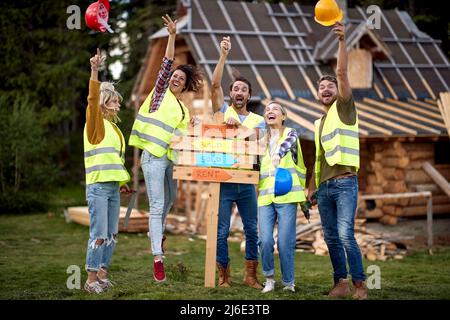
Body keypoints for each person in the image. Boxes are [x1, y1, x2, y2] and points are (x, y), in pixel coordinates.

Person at [129, 15, 202, 282]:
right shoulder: (159, 93)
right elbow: (167, 62)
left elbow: (180, 137)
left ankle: (157, 233)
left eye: (181, 79)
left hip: (170, 160)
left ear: (185, 85)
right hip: (153, 158)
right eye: (174, 76)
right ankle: (158, 258)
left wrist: (190, 125)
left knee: (169, 202)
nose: (175, 79)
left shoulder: (182, 108)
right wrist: (172, 36)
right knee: (158, 204)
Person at [307, 22, 367, 300]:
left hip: (344, 184)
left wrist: (342, 42)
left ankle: (360, 286)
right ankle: (340, 284)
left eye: (330, 85)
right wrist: (312, 189)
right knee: (331, 238)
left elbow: (342, 71)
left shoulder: (344, 107)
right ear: (318, 94)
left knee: (345, 235)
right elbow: (318, 158)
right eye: (322, 87)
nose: (326, 89)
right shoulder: (319, 122)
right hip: (326, 188)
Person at [210, 36, 264, 289]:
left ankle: (251, 275)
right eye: (235, 89)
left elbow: (259, 142)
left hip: (247, 183)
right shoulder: (222, 112)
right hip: (223, 180)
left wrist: (240, 127)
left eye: (244, 89)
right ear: (230, 94)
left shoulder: (258, 120)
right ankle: (224, 276)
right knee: (222, 232)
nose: (239, 92)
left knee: (252, 230)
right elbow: (213, 84)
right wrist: (223, 54)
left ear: (249, 95)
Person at [84, 48, 131, 293]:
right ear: (104, 104)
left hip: (112, 187)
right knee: (99, 234)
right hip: (98, 188)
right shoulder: (96, 125)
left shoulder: (115, 130)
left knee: (112, 234)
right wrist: (95, 70)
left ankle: (103, 275)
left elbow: (115, 161)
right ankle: (91, 280)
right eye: (115, 102)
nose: (118, 106)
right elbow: (92, 99)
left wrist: (122, 182)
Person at [257, 101, 307, 293]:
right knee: (266, 240)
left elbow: (288, 144)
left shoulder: (291, 133)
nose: (270, 111)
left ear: (283, 116)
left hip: (287, 196)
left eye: (275, 109)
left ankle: (288, 283)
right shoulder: (260, 140)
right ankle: (269, 279)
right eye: (267, 110)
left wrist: (278, 153)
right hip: (265, 197)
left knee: (285, 242)